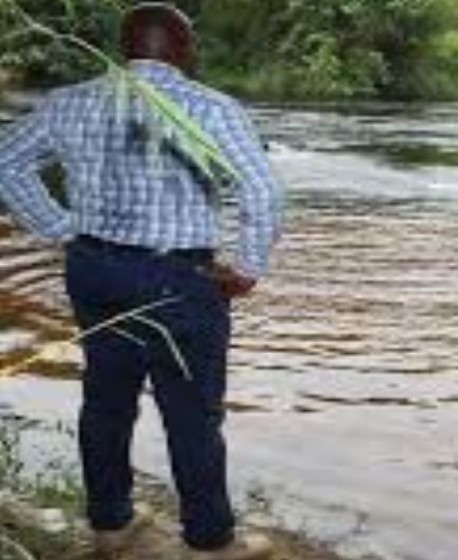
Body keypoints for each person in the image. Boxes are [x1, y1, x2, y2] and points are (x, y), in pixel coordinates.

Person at [0, 4, 281, 559]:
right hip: (180, 278)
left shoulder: (68, 101)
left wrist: (59, 228)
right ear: (184, 49)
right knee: (192, 413)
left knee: (106, 400)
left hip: (95, 272)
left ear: (124, 46)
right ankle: (209, 541)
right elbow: (262, 192)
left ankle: (110, 526)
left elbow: (6, 162)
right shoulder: (210, 107)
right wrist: (248, 269)